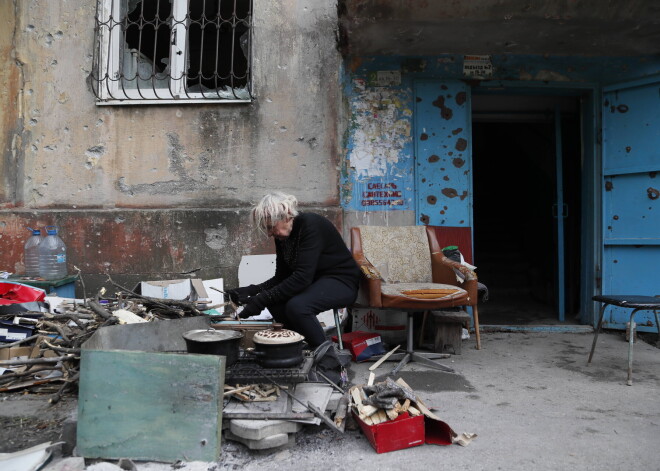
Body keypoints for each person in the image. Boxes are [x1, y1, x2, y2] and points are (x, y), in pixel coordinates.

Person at [226, 192, 360, 348]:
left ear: (287, 216)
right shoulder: (282, 236)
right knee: (276, 303)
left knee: (298, 306)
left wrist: (261, 299)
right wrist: (251, 290)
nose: (269, 234)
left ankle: (327, 359)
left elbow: (302, 278)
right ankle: (299, 347)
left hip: (341, 281)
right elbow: (281, 277)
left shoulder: (311, 225)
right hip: (315, 282)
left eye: (270, 227)